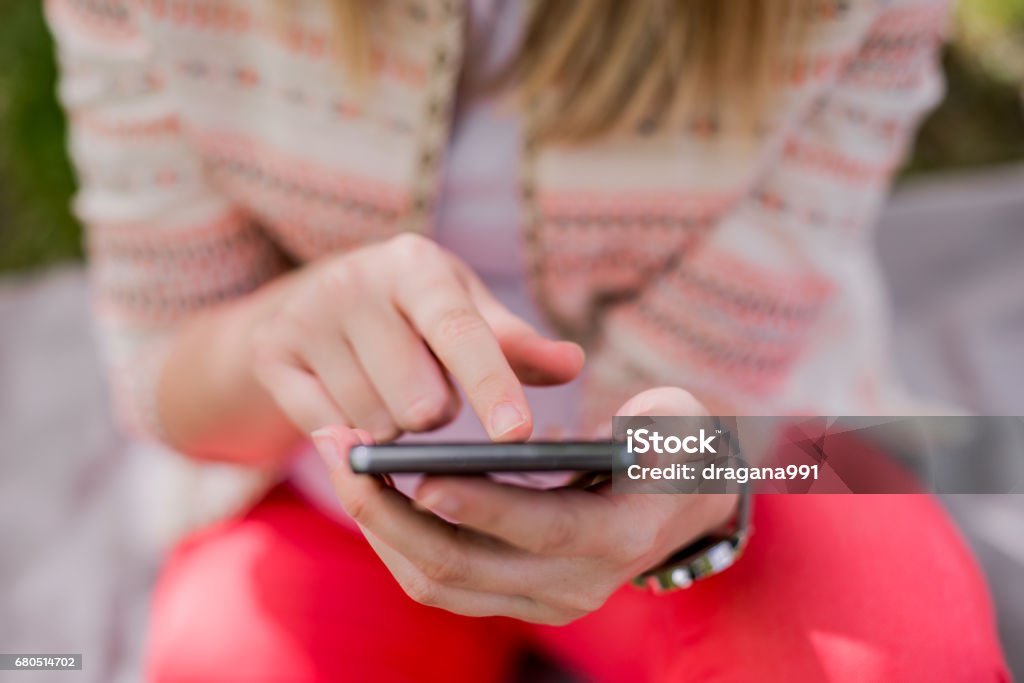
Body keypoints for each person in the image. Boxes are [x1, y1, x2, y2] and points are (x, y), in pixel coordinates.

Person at [46, 0, 1009, 680]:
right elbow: (164, 373)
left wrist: (690, 478)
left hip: (755, 436)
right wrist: (283, 331)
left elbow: (735, 341)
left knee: (911, 662)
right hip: (319, 490)